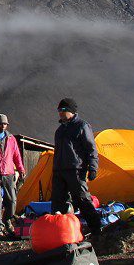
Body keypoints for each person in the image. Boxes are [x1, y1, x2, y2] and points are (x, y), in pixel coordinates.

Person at [52, 99, 101, 239]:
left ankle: (96, 229)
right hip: (59, 170)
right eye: (59, 110)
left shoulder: (82, 126)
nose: (60, 113)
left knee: (82, 199)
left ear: (71, 111)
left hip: (75, 169)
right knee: (57, 202)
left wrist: (93, 168)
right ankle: (59, 233)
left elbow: (91, 148)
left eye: (63, 110)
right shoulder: (60, 130)